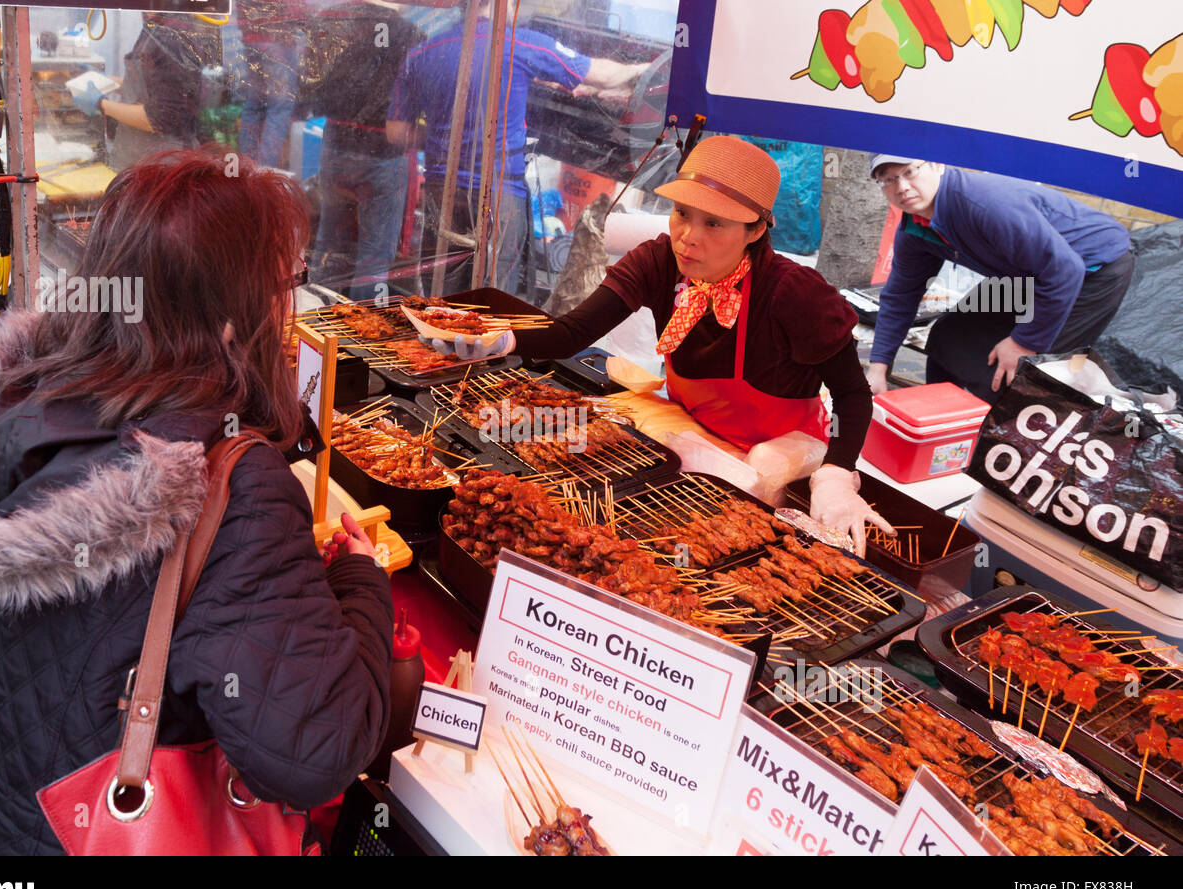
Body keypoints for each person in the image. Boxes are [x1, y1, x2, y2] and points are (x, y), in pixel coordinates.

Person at [0, 150, 393, 855]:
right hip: (94, 832)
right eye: (283, 282)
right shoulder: (229, 486)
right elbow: (314, 750)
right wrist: (361, 584)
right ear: (230, 315)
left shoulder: (27, 393)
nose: (287, 300)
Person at [438, 136, 891, 554]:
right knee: (593, 439)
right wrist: (503, 339)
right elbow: (573, 333)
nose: (688, 237)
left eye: (713, 223)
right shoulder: (659, 261)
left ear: (755, 231)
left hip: (781, 446)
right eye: (682, 214)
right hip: (694, 424)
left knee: (760, 474)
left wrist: (836, 473)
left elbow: (853, 394)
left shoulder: (794, 293)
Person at [386, 0, 650, 295]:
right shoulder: (517, 44)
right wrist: (645, 69)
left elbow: (396, 132)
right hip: (498, 194)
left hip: (442, 189)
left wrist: (447, 137)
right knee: (493, 295)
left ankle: (440, 338)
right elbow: (604, 75)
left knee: (442, 290)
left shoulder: (422, 52)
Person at [865, 155, 1135, 403]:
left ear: (937, 165)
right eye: (888, 180)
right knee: (948, 336)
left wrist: (1022, 343)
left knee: (1013, 373)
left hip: (1091, 271)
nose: (901, 187)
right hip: (1026, 271)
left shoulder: (985, 205)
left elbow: (1065, 271)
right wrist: (879, 366)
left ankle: (998, 439)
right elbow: (901, 296)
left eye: (910, 171)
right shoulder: (914, 228)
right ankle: (940, 418)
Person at [309, 0, 424, 298]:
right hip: (382, 151)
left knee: (329, 238)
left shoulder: (336, 20)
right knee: (374, 253)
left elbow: (314, 85)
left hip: (336, 144)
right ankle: (360, 324)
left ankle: (314, 309)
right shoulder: (409, 33)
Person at [72, 13, 222, 168]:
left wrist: (100, 104)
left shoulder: (172, 38)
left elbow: (157, 119)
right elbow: (153, 89)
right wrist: (107, 82)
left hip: (163, 164)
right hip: (138, 158)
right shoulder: (154, 26)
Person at [237, 0, 308, 167]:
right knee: (280, 107)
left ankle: (247, 166)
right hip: (277, 40)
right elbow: (295, 7)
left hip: (251, 38)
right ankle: (265, 169)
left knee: (254, 105)